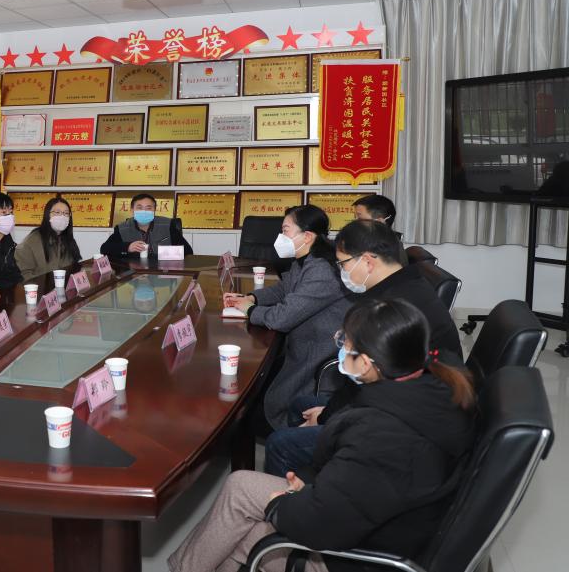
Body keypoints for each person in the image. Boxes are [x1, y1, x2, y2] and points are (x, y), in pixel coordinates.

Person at [169, 298, 477, 572]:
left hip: (357, 556)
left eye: (345, 343)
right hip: (376, 522)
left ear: (366, 364)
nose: (340, 347)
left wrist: (279, 507)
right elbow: (356, 484)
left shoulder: (384, 435)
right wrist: (306, 480)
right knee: (240, 491)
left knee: (249, 532)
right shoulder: (436, 387)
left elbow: (321, 524)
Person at [263, 220, 464, 476]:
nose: (341, 272)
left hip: (408, 420)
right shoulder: (406, 284)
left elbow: (368, 382)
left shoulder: (391, 308)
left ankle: (307, 490)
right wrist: (328, 414)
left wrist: (327, 417)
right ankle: (317, 475)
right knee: (300, 406)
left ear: (368, 261)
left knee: (281, 444)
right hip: (399, 396)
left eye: (343, 264)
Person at [223, 205, 351, 430]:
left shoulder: (322, 269)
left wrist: (249, 310)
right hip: (301, 343)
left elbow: (281, 318)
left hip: (316, 352)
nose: (280, 237)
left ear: (307, 236)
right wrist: (251, 297)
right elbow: (283, 289)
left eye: (285, 230)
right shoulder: (306, 259)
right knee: (256, 386)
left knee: (257, 406)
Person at [100, 193, 193, 259]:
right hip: (134, 273)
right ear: (132, 210)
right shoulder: (123, 228)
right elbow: (104, 249)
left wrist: (162, 253)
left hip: (164, 272)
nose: (144, 211)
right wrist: (127, 247)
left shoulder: (168, 225)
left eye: (148, 208)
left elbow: (188, 251)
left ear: (154, 210)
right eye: (139, 208)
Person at [15, 196, 82, 282]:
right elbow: (24, 274)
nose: (62, 216)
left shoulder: (68, 240)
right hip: (40, 289)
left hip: (63, 288)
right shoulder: (32, 241)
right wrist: (43, 286)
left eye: (66, 213)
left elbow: (74, 267)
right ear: (47, 215)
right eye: (57, 212)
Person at [353, 193, 406, 264]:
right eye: (355, 217)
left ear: (379, 222)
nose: (354, 222)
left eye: (359, 217)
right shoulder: (368, 242)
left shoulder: (384, 250)